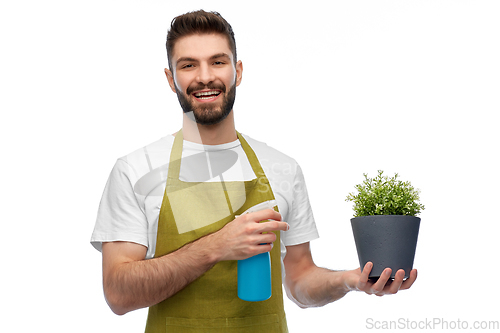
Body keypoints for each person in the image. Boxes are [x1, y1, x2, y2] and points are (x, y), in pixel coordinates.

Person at [91, 10, 417, 333]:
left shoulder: (282, 168)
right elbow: (119, 295)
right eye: (188, 65)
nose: (205, 76)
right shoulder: (135, 170)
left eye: (218, 62)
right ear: (170, 78)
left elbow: (300, 281)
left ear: (238, 71)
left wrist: (348, 280)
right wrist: (217, 246)